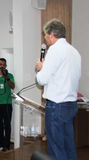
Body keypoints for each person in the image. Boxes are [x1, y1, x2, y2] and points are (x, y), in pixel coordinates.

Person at [36, 19, 81, 160]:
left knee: (56, 147)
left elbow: (42, 79)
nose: (44, 38)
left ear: (52, 35)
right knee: (68, 145)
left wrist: (40, 69)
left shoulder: (54, 50)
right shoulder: (74, 51)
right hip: (71, 104)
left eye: (45, 35)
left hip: (56, 105)